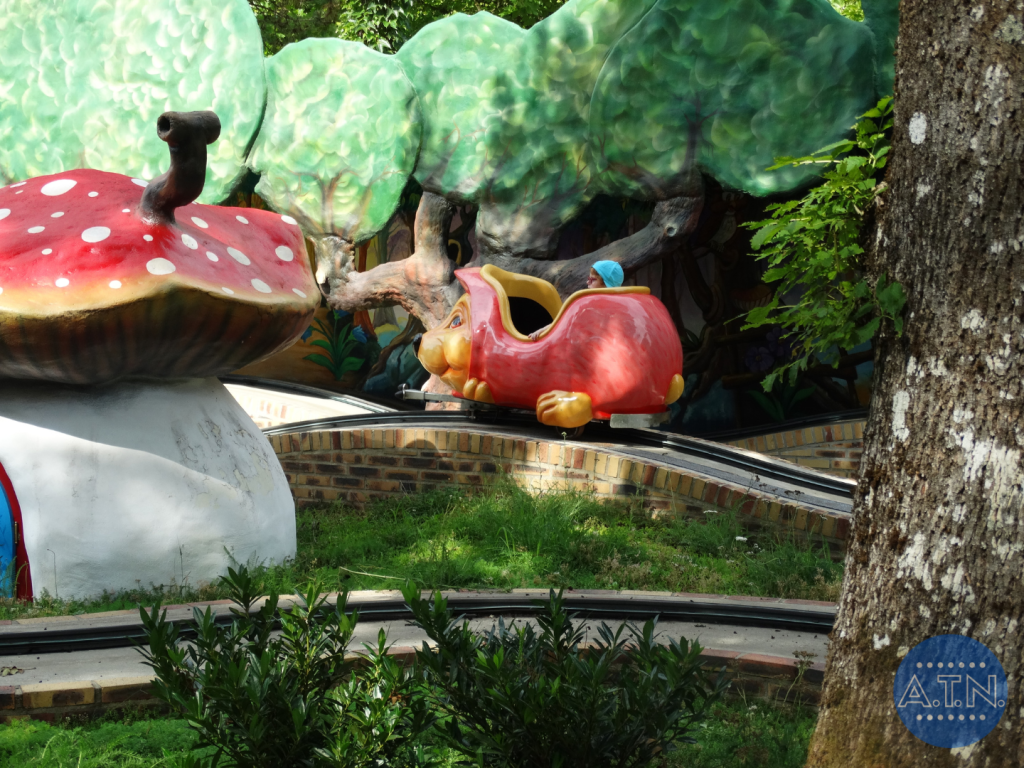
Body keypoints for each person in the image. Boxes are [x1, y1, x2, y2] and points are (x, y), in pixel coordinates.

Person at [528, 260, 624, 340]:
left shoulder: (614, 307)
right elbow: (564, 322)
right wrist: (543, 330)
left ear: (606, 284)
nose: (587, 282)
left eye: (592, 279)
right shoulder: (587, 303)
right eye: (588, 278)